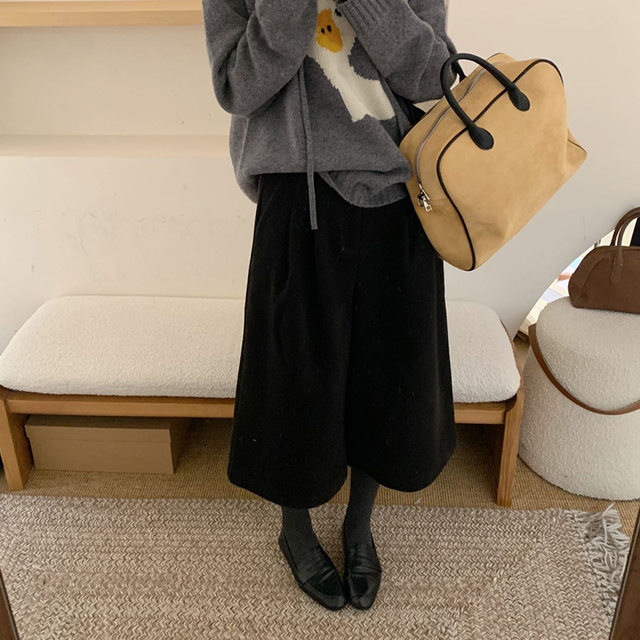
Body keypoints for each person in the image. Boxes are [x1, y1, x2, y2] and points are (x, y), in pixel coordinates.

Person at [201, 0, 459, 611]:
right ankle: (294, 530)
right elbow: (236, 87)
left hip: (401, 195)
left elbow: (438, 78)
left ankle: (359, 526)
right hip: (297, 195)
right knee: (294, 380)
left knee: (388, 376)